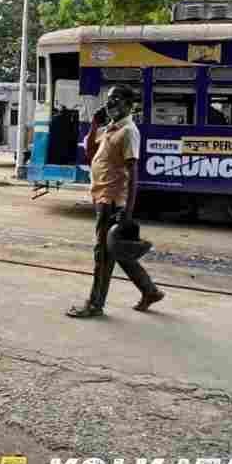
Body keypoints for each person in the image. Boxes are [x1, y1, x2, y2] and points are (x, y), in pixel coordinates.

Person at [66, 85, 164, 318]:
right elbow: (90, 153)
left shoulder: (129, 131)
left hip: (112, 200)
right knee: (115, 251)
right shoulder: (111, 128)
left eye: (116, 100)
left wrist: (127, 212)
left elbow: (133, 173)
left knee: (103, 254)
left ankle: (95, 304)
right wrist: (93, 124)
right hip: (102, 196)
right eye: (108, 100)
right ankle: (149, 291)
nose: (110, 104)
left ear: (130, 105)